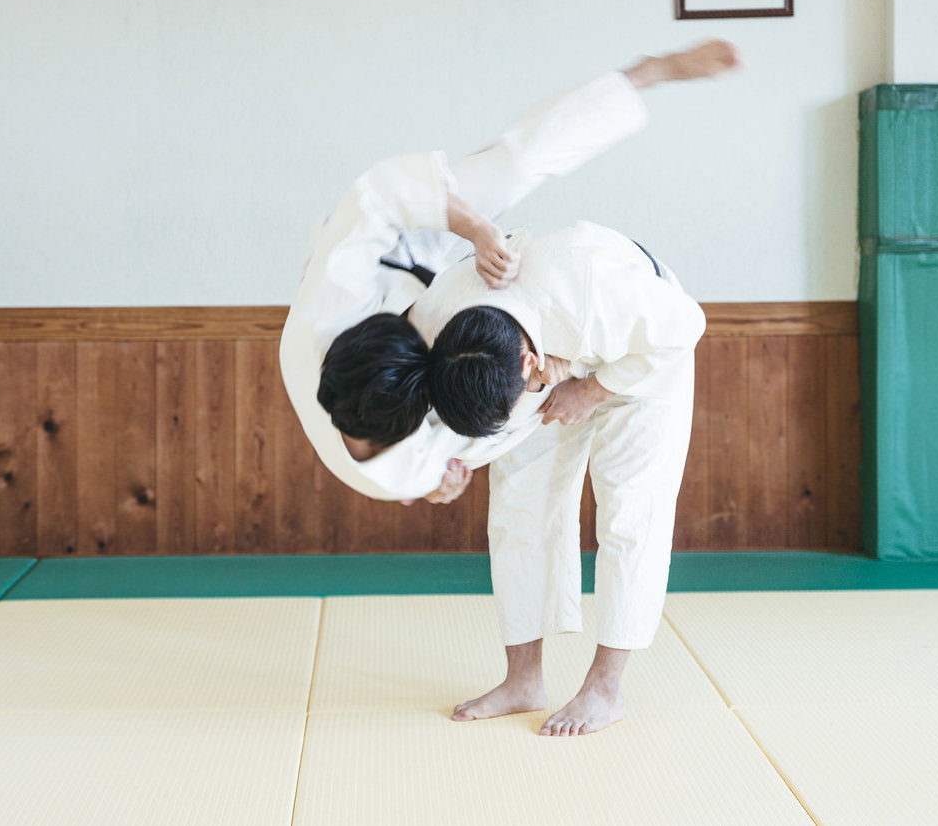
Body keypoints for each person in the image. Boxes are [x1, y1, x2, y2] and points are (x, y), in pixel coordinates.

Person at [278, 40, 741, 507]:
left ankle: (645, 75)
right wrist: (546, 380)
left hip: (399, 246)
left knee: (513, 167)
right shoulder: (408, 471)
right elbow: (495, 421)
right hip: (443, 337)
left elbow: (378, 194)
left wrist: (477, 229)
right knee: (503, 376)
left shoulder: (324, 318)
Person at [413, 220, 704, 737]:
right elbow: (429, 415)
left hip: (646, 352)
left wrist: (592, 389)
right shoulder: (436, 318)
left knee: (631, 512)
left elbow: (687, 325)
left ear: (529, 361)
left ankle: (605, 689)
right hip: (538, 346)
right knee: (518, 506)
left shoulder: (598, 288)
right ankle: (522, 680)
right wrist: (443, 466)